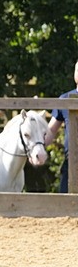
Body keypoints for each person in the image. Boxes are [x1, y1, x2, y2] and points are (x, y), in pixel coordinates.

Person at [44, 58, 78, 193]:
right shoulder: (65, 98)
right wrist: (39, 146)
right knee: (65, 196)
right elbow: (52, 130)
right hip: (72, 159)